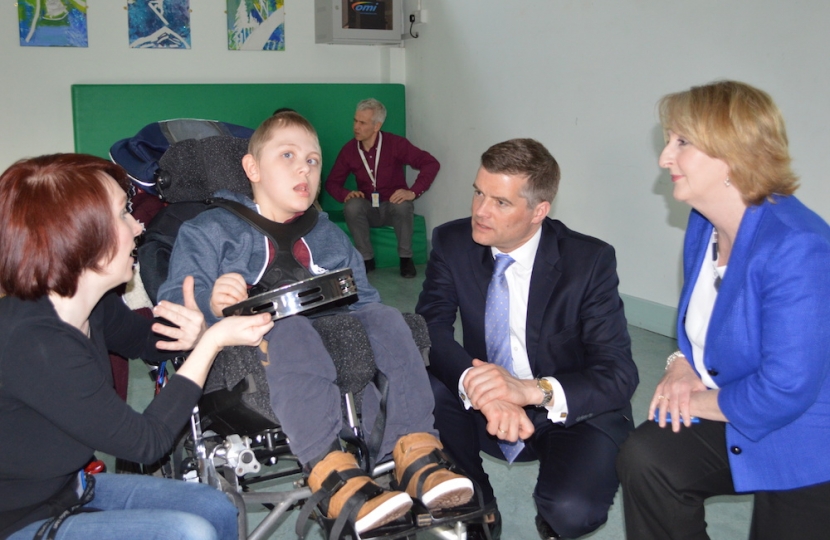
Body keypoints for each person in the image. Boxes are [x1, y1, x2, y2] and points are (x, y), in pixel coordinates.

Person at [157, 111, 473, 535]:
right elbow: (176, 299)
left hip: (336, 356)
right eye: (287, 155)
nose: (303, 168)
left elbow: (365, 299)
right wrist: (211, 301)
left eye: (312, 160)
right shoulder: (210, 229)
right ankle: (330, 469)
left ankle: (415, 449)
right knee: (289, 326)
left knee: (387, 316)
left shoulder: (326, 233)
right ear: (252, 169)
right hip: (246, 362)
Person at [0, 154, 275, 540]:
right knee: (187, 532)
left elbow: (148, 342)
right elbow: (147, 443)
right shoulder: (35, 342)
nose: (139, 226)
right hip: (19, 520)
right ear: (79, 236)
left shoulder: (91, 304)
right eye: (122, 215)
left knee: (214, 507)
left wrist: (190, 330)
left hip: (69, 488)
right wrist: (211, 342)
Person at [616, 81, 830, 540]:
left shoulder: (799, 246)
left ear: (733, 153)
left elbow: (787, 390)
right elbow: (707, 330)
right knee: (649, 456)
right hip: (742, 404)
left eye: (682, 143)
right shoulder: (705, 221)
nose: (664, 158)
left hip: (810, 435)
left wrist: (694, 401)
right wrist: (680, 364)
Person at [416, 138, 639, 539]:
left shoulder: (588, 262)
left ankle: (554, 512)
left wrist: (529, 391)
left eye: (500, 202)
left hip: (565, 406)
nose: (480, 211)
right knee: (423, 383)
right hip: (486, 402)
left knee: (572, 510)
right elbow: (429, 327)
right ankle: (475, 506)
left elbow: (619, 374)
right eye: (478, 193)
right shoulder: (452, 243)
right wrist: (479, 384)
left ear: (539, 211)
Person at [325, 98, 440, 278]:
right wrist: (346, 194)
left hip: (392, 207)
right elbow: (332, 183)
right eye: (355, 120)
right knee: (352, 205)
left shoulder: (395, 144)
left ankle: (405, 258)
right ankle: (366, 259)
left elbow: (430, 163)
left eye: (362, 123)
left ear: (377, 126)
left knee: (403, 204)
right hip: (368, 208)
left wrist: (413, 191)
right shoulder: (349, 150)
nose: (356, 126)